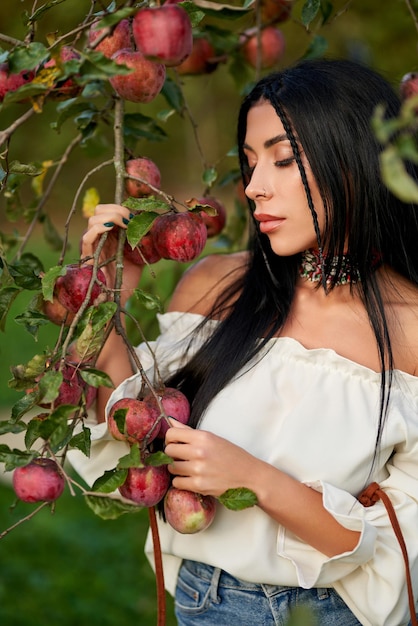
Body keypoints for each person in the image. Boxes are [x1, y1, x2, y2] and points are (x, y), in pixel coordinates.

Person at [70, 58, 418, 626]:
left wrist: (253, 478)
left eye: (283, 160)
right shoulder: (217, 286)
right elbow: (131, 424)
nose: (256, 188)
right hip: (205, 602)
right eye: (251, 163)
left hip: (331, 612)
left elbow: (393, 548)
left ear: (354, 160)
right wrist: (104, 298)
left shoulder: (411, 331)